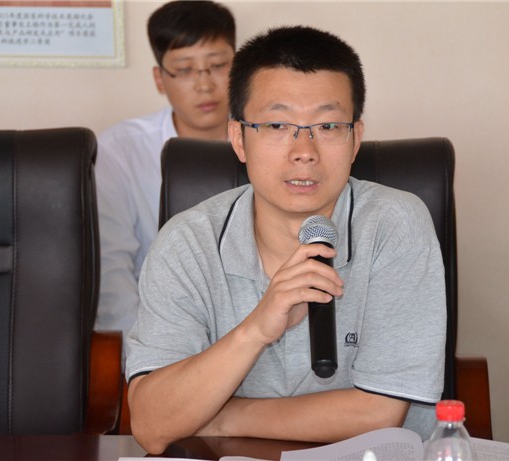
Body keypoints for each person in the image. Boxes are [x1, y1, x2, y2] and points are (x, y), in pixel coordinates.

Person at [126, 25, 447, 454]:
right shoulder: (186, 242)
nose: (304, 151)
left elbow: (379, 413)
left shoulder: (395, 224)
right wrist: (256, 329)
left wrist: (221, 417)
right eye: (277, 124)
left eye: (328, 125)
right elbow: (152, 425)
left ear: (355, 139)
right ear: (239, 138)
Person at [94, 1, 236, 337]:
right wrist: (148, 354)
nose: (205, 85)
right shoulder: (121, 149)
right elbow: (111, 269)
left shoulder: (273, 137)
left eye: (218, 65)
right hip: (157, 331)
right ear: (160, 79)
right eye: (185, 70)